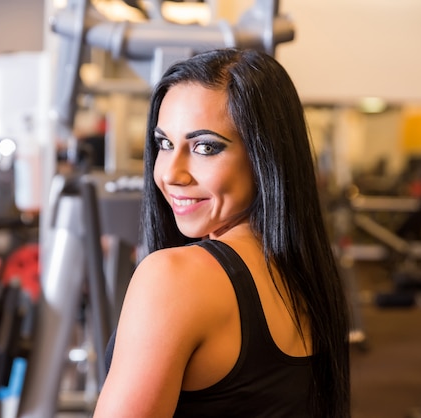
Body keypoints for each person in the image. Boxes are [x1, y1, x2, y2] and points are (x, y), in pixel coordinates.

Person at [93, 48, 350, 418]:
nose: (171, 174)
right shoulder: (308, 281)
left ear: (264, 158)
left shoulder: (175, 278)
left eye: (205, 147)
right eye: (164, 144)